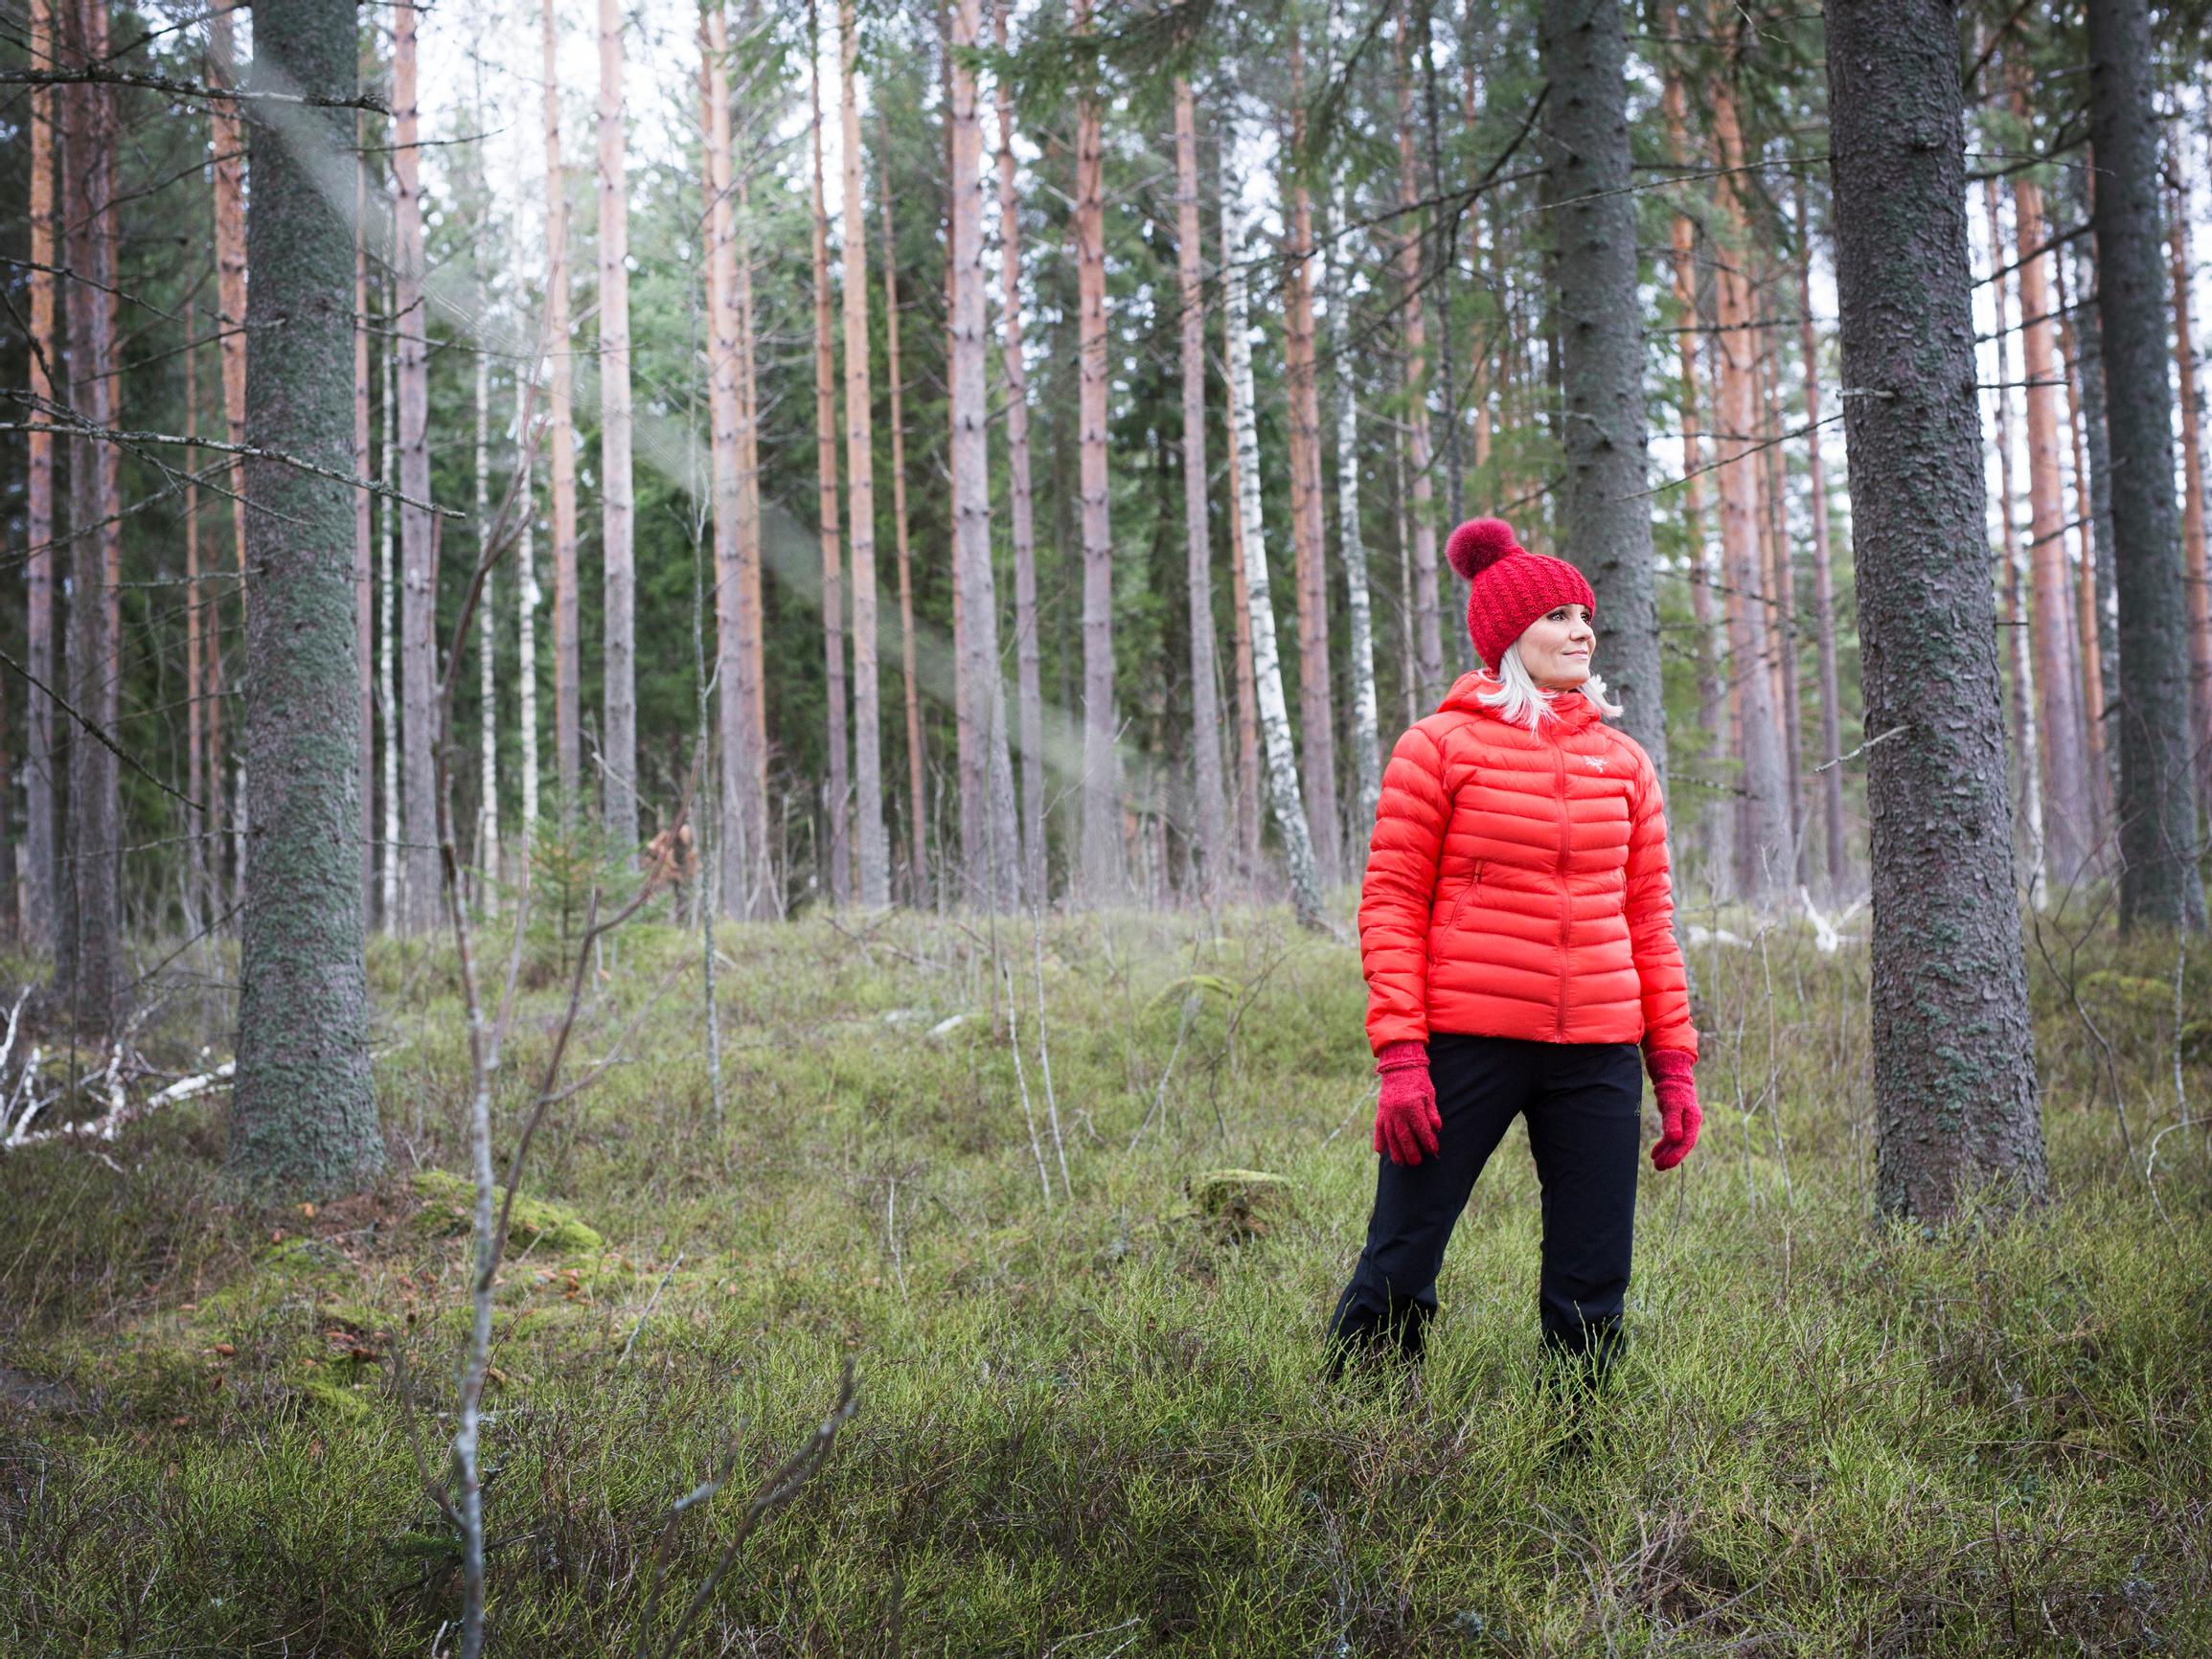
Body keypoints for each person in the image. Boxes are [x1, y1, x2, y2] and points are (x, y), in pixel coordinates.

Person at [1326, 516, 1702, 1389]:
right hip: (1467, 1042)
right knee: (1402, 1254)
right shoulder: (1439, 747)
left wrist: (1672, 1064)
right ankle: (1351, 1434)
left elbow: (1650, 920)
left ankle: (1577, 1453)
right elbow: (1389, 903)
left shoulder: (1624, 763)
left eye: (1584, 615)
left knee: (1593, 1277)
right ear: (1507, 637)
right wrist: (1400, 1058)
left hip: (1599, 1051)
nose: (1581, 631)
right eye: (1558, 617)